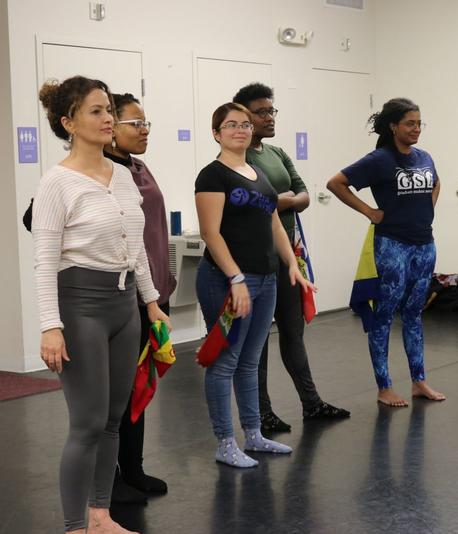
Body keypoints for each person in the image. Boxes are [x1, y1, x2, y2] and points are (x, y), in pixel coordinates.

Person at [33, 76, 170, 534]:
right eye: (96, 111)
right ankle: (75, 527)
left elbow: (137, 249)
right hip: (80, 307)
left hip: (123, 305)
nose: (108, 118)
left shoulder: (125, 176)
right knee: (87, 422)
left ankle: (100, 516)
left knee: (113, 420)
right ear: (68, 122)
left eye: (109, 109)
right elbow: (45, 260)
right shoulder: (57, 182)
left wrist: (150, 303)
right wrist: (51, 326)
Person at [195, 102, 314, 467]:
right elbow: (211, 234)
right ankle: (225, 442)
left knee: (249, 361)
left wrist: (292, 264)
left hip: (267, 279)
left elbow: (275, 224)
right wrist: (236, 279)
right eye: (231, 125)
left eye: (245, 125)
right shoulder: (212, 176)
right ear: (216, 133)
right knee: (225, 361)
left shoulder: (257, 173)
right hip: (226, 280)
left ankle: (254, 434)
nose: (240, 130)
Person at [232, 83, 349, 433]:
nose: (269, 117)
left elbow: (303, 194)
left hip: (286, 257)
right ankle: (262, 411)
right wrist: (277, 198)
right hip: (252, 259)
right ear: (244, 115)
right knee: (258, 342)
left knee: (293, 332)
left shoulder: (277, 153)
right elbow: (252, 201)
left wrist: (274, 198)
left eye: (272, 111)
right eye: (262, 112)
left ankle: (311, 403)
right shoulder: (237, 159)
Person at [327, 97, 445, 408]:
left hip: (424, 245)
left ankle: (419, 381)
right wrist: (369, 211)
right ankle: (384, 386)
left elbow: (436, 183)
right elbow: (336, 183)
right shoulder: (379, 160)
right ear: (393, 126)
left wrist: (425, 213)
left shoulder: (424, 157)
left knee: (414, 313)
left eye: (420, 123)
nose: (417, 129)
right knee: (384, 314)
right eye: (410, 123)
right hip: (392, 246)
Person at [100, 93, 175, 504]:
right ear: (111, 128)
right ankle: (107, 476)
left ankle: (133, 468)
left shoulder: (138, 166)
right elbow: (35, 217)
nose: (144, 130)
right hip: (117, 296)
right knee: (112, 393)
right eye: (136, 123)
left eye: (147, 122)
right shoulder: (98, 171)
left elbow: (152, 230)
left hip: (151, 294)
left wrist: (165, 280)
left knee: (137, 386)